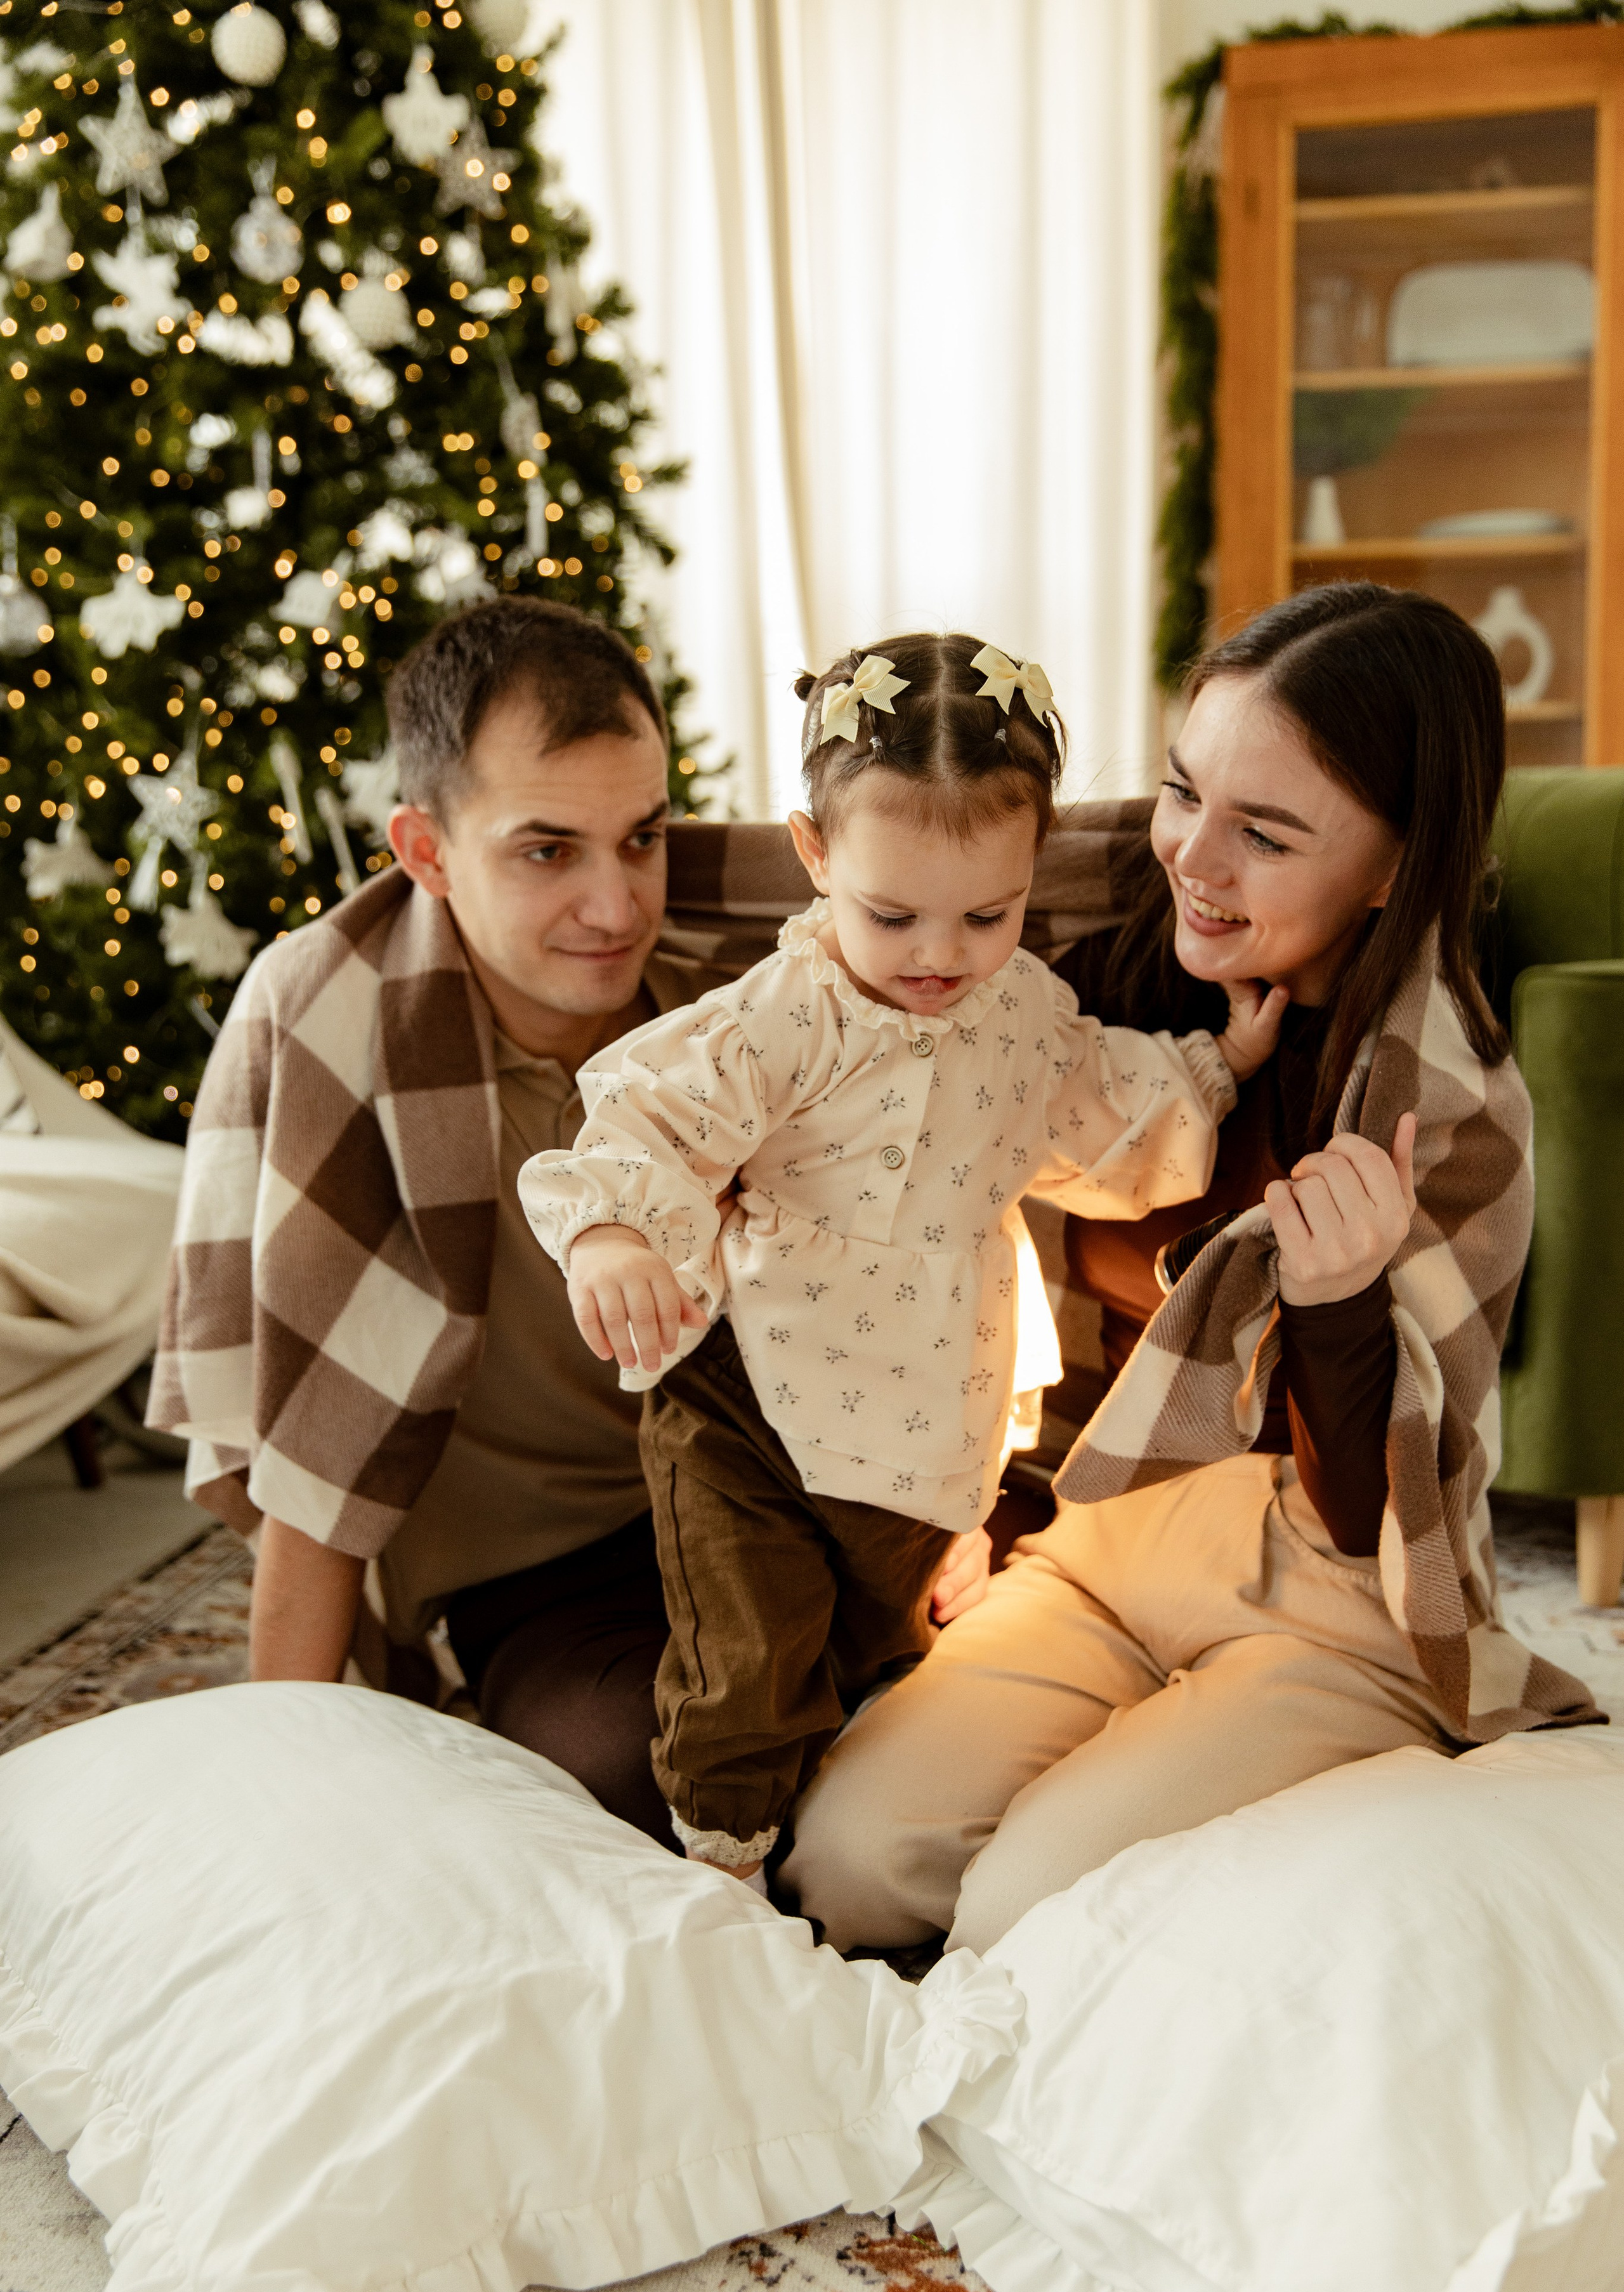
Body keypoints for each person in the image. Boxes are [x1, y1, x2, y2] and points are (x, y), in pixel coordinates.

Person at [784, 582, 1602, 1954]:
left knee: (1018, 1909)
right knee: (853, 1866)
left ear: (1393, 867)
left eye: (1264, 834)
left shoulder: (1444, 1109)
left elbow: (1369, 1519)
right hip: (1100, 1539)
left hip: (1330, 1592)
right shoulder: (1121, 975)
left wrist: (1334, 1305)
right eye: (1180, 793)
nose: (1192, 859)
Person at [518, 631, 1283, 1883]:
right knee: (747, 1665)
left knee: (888, 1654)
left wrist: (1222, 1068)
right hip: (748, 1398)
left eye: (987, 911)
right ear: (814, 857)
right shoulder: (787, 1018)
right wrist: (607, 1230)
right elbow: (646, 1114)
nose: (938, 954)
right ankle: (720, 1874)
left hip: (927, 1413)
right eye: (891, 913)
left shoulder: (1019, 1012)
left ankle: (842, 1839)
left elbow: (1106, 1100)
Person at [150, 600, 712, 1840]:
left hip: (744, 1496)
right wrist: (277, 1794)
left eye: (643, 837)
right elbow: (319, 1439)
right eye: (546, 851)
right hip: (539, 1565)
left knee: (906, 1716)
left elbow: (986, 875)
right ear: (424, 850)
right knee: (638, 1768)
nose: (617, 908)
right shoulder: (334, 1018)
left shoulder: (728, 984)